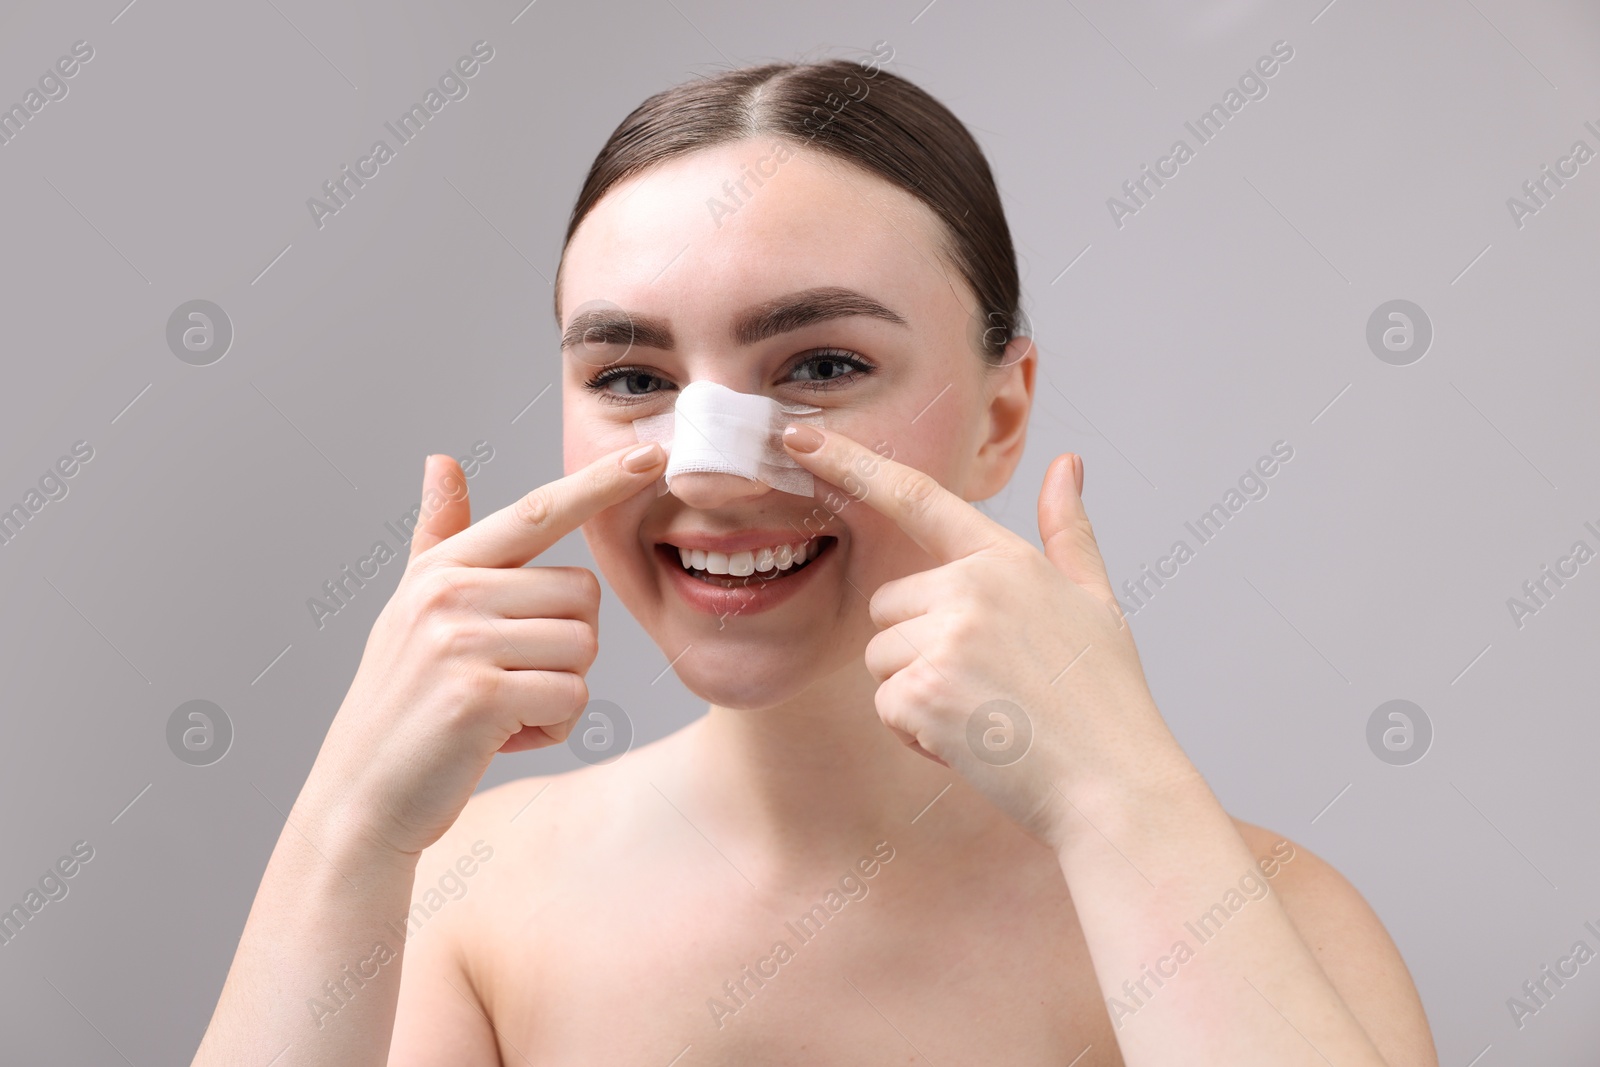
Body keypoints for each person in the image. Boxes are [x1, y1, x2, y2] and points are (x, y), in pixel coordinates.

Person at [193, 53, 1439, 1066]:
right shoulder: (457, 900)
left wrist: (1123, 803)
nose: (712, 471)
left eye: (823, 367)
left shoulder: (1269, 917)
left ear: (1003, 413)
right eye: (632, 378)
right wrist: (344, 829)